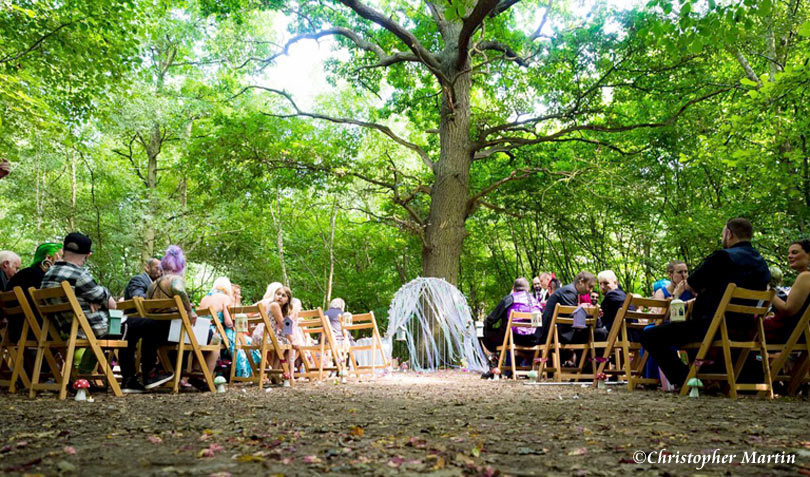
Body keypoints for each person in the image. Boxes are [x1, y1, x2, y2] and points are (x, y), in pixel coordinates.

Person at [640, 218, 770, 388]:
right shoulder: (762, 264)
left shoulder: (722, 257)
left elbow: (693, 282)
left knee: (650, 335)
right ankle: (702, 379)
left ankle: (685, 380)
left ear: (729, 234)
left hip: (711, 327)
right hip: (746, 328)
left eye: (723, 234)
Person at [42, 232, 172, 392]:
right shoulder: (80, 275)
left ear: (63, 250)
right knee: (151, 325)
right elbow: (113, 305)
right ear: (87, 255)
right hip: (94, 329)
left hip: (67, 329)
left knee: (131, 327)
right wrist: (100, 300)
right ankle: (148, 374)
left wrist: (94, 301)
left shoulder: (48, 275)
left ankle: (130, 380)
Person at [5, 242, 62, 341]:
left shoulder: (21, 275)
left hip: (15, 331)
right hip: (38, 332)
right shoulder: (43, 279)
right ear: (48, 258)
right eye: (62, 257)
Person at [541, 271, 607, 343]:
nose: (590, 291)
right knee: (601, 333)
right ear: (581, 282)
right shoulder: (569, 291)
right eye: (590, 287)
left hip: (557, 332)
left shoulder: (571, 291)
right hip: (555, 335)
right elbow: (572, 319)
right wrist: (592, 314)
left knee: (598, 332)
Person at [765, 239, 810, 342]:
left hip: (791, 333)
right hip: (799, 332)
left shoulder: (805, 277)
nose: (789, 256)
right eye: (788, 253)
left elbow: (788, 310)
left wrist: (768, 292)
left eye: (794, 252)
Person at [253, 282, 297, 380]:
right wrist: (292, 340)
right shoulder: (274, 305)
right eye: (278, 294)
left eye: (283, 296)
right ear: (274, 295)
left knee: (284, 342)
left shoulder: (281, 308)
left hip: (269, 335)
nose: (280, 297)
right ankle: (276, 372)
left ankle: (274, 372)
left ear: (287, 300)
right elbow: (282, 325)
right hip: (264, 336)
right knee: (288, 343)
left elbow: (286, 325)